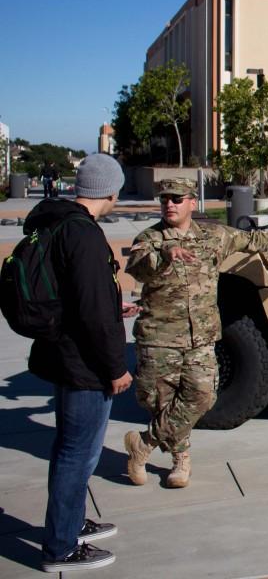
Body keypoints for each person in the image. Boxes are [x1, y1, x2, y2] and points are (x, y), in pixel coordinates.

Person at [124, 177, 268, 488]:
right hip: (160, 337)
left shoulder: (214, 235)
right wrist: (167, 255)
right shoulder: (150, 239)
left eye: (177, 199)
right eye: (165, 198)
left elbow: (254, 242)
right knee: (160, 400)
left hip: (201, 335)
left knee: (203, 396)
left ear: (192, 203)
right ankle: (182, 460)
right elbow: (138, 269)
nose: (170, 204)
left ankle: (144, 442)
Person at [27, 153, 139, 572]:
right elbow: (92, 311)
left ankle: (70, 524)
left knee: (72, 449)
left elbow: (82, 299)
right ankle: (60, 547)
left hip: (64, 353)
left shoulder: (56, 224)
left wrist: (117, 307)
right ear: (110, 190)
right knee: (79, 453)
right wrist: (116, 368)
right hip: (85, 364)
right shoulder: (85, 235)